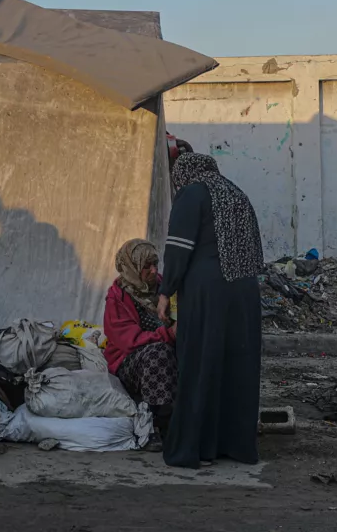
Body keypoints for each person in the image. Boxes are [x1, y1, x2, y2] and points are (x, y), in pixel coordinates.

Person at [156, 152, 264, 469]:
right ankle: (236, 446)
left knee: (200, 362)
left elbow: (178, 247)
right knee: (236, 368)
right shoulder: (236, 193)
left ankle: (193, 448)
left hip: (208, 292)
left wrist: (166, 291)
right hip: (244, 293)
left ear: (184, 175)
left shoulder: (193, 193)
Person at [103, 239, 178, 452]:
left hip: (165, 356)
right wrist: (169, 334)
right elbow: (129, 341)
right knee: (158, 353)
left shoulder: (164, 289)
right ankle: (153, 423)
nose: (154, 271)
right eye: (147, 266)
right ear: (132, 267)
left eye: (156, 264)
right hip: (129, 364)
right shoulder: (117, 298)